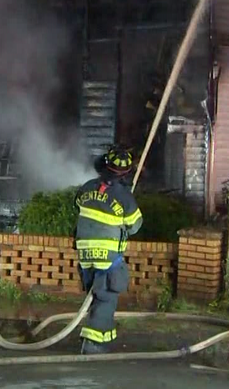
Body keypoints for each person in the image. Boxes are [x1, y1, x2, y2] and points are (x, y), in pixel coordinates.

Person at [73, 144, 143, 354]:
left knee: (96, 294)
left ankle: (97, 337)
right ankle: (94, 344)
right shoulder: (124, 197)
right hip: (108, 255)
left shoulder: (86, 187)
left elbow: (77, 207)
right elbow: (135, 225)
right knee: (107, 295)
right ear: (126, 173)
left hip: (85, 253)